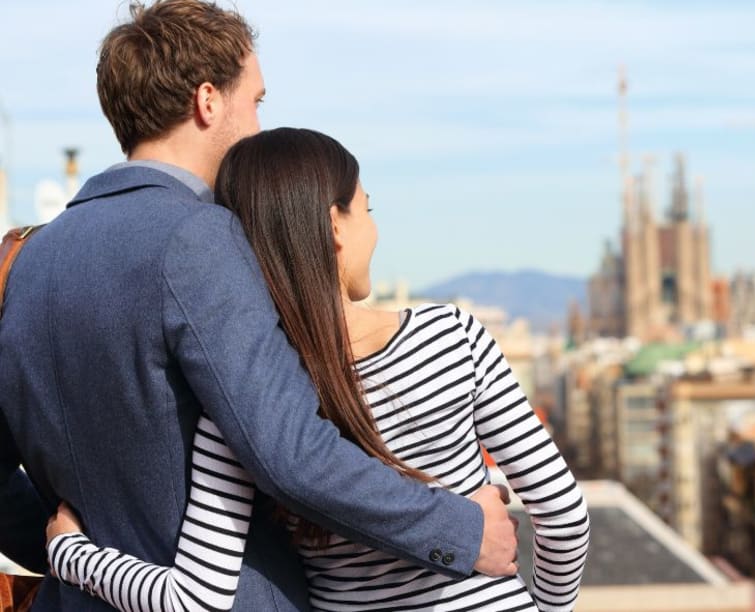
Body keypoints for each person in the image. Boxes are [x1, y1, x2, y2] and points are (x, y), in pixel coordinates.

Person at [0, 2, 519, 610]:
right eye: (257, 102)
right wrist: (459, 529)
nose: (258, 125)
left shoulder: (30, 261)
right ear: (208, 101)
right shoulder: (199, 238)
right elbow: (290, 451)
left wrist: (70, 554)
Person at [46, 128, 590, 611]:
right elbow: (563, 514)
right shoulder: (453, 337)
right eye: (368, 210)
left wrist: (72, 554)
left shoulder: (248, 395)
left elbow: (194, 599)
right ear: (335, 225)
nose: (374, 232)